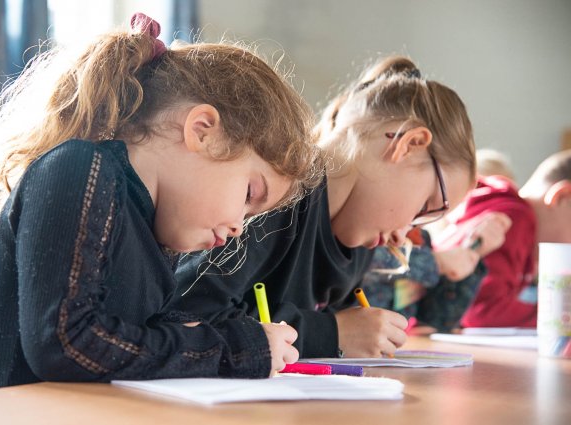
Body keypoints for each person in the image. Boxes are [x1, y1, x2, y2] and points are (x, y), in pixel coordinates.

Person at [0, 13, 322, 390]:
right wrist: (233, 349)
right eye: (248, 195)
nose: (239, 226)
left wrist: (207, 333)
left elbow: (133, 341)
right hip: (18, 412)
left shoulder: (152, 234)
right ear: (202, 132)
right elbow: (66, 344)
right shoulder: (80, 169)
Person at [173, 56, 477, 359]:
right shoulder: (275, 192)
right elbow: (188, 313)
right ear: (408, 145)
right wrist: (331, 334)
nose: (402, 236)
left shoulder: (358, 244)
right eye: (425, 207)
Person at [434, 149, 571, 328]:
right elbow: (483, 311)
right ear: (562, 198)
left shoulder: (514, 217)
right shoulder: (515, 218)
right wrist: (560, 315)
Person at [361, 212, 511, 334]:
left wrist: (473, 251)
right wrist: (435, 262)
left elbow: (437, 320)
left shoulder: (420, 238)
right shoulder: (365, 226)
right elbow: (362, 261)